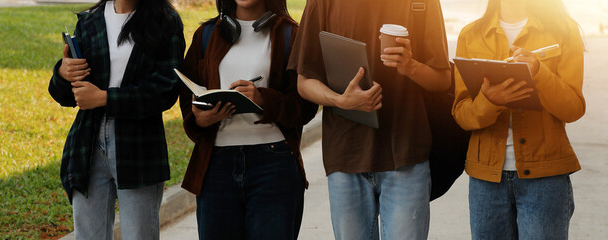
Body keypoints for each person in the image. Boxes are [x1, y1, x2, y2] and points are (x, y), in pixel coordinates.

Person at [289, 0, 452, 239]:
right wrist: (340, 100)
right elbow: (304, 81)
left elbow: (443, 79)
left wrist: (410, 66)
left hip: (405, 155)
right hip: (345, 157)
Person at [177, 0, 318, 238]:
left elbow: (305, 108)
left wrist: (262, 99)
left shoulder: (290, 34)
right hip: (215, 167)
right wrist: (200, 119)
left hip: (273, 165)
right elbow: (187, 95)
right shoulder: (206, 34)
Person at [47, 0, 185, 238]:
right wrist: (63, 72)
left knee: (139, 235)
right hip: (87, 143)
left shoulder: (165, 21)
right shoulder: (90, 21)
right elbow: (68, 96)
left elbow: (167, 89)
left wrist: (105, 98)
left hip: (140, 145)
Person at [451, 0, 585, 239]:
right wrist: (489, 101)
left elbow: (573, 108)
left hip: (545, 177)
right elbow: (462, 114)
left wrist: (538, 72)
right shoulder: (470, 35)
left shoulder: (563, 31)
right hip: (486, 181)